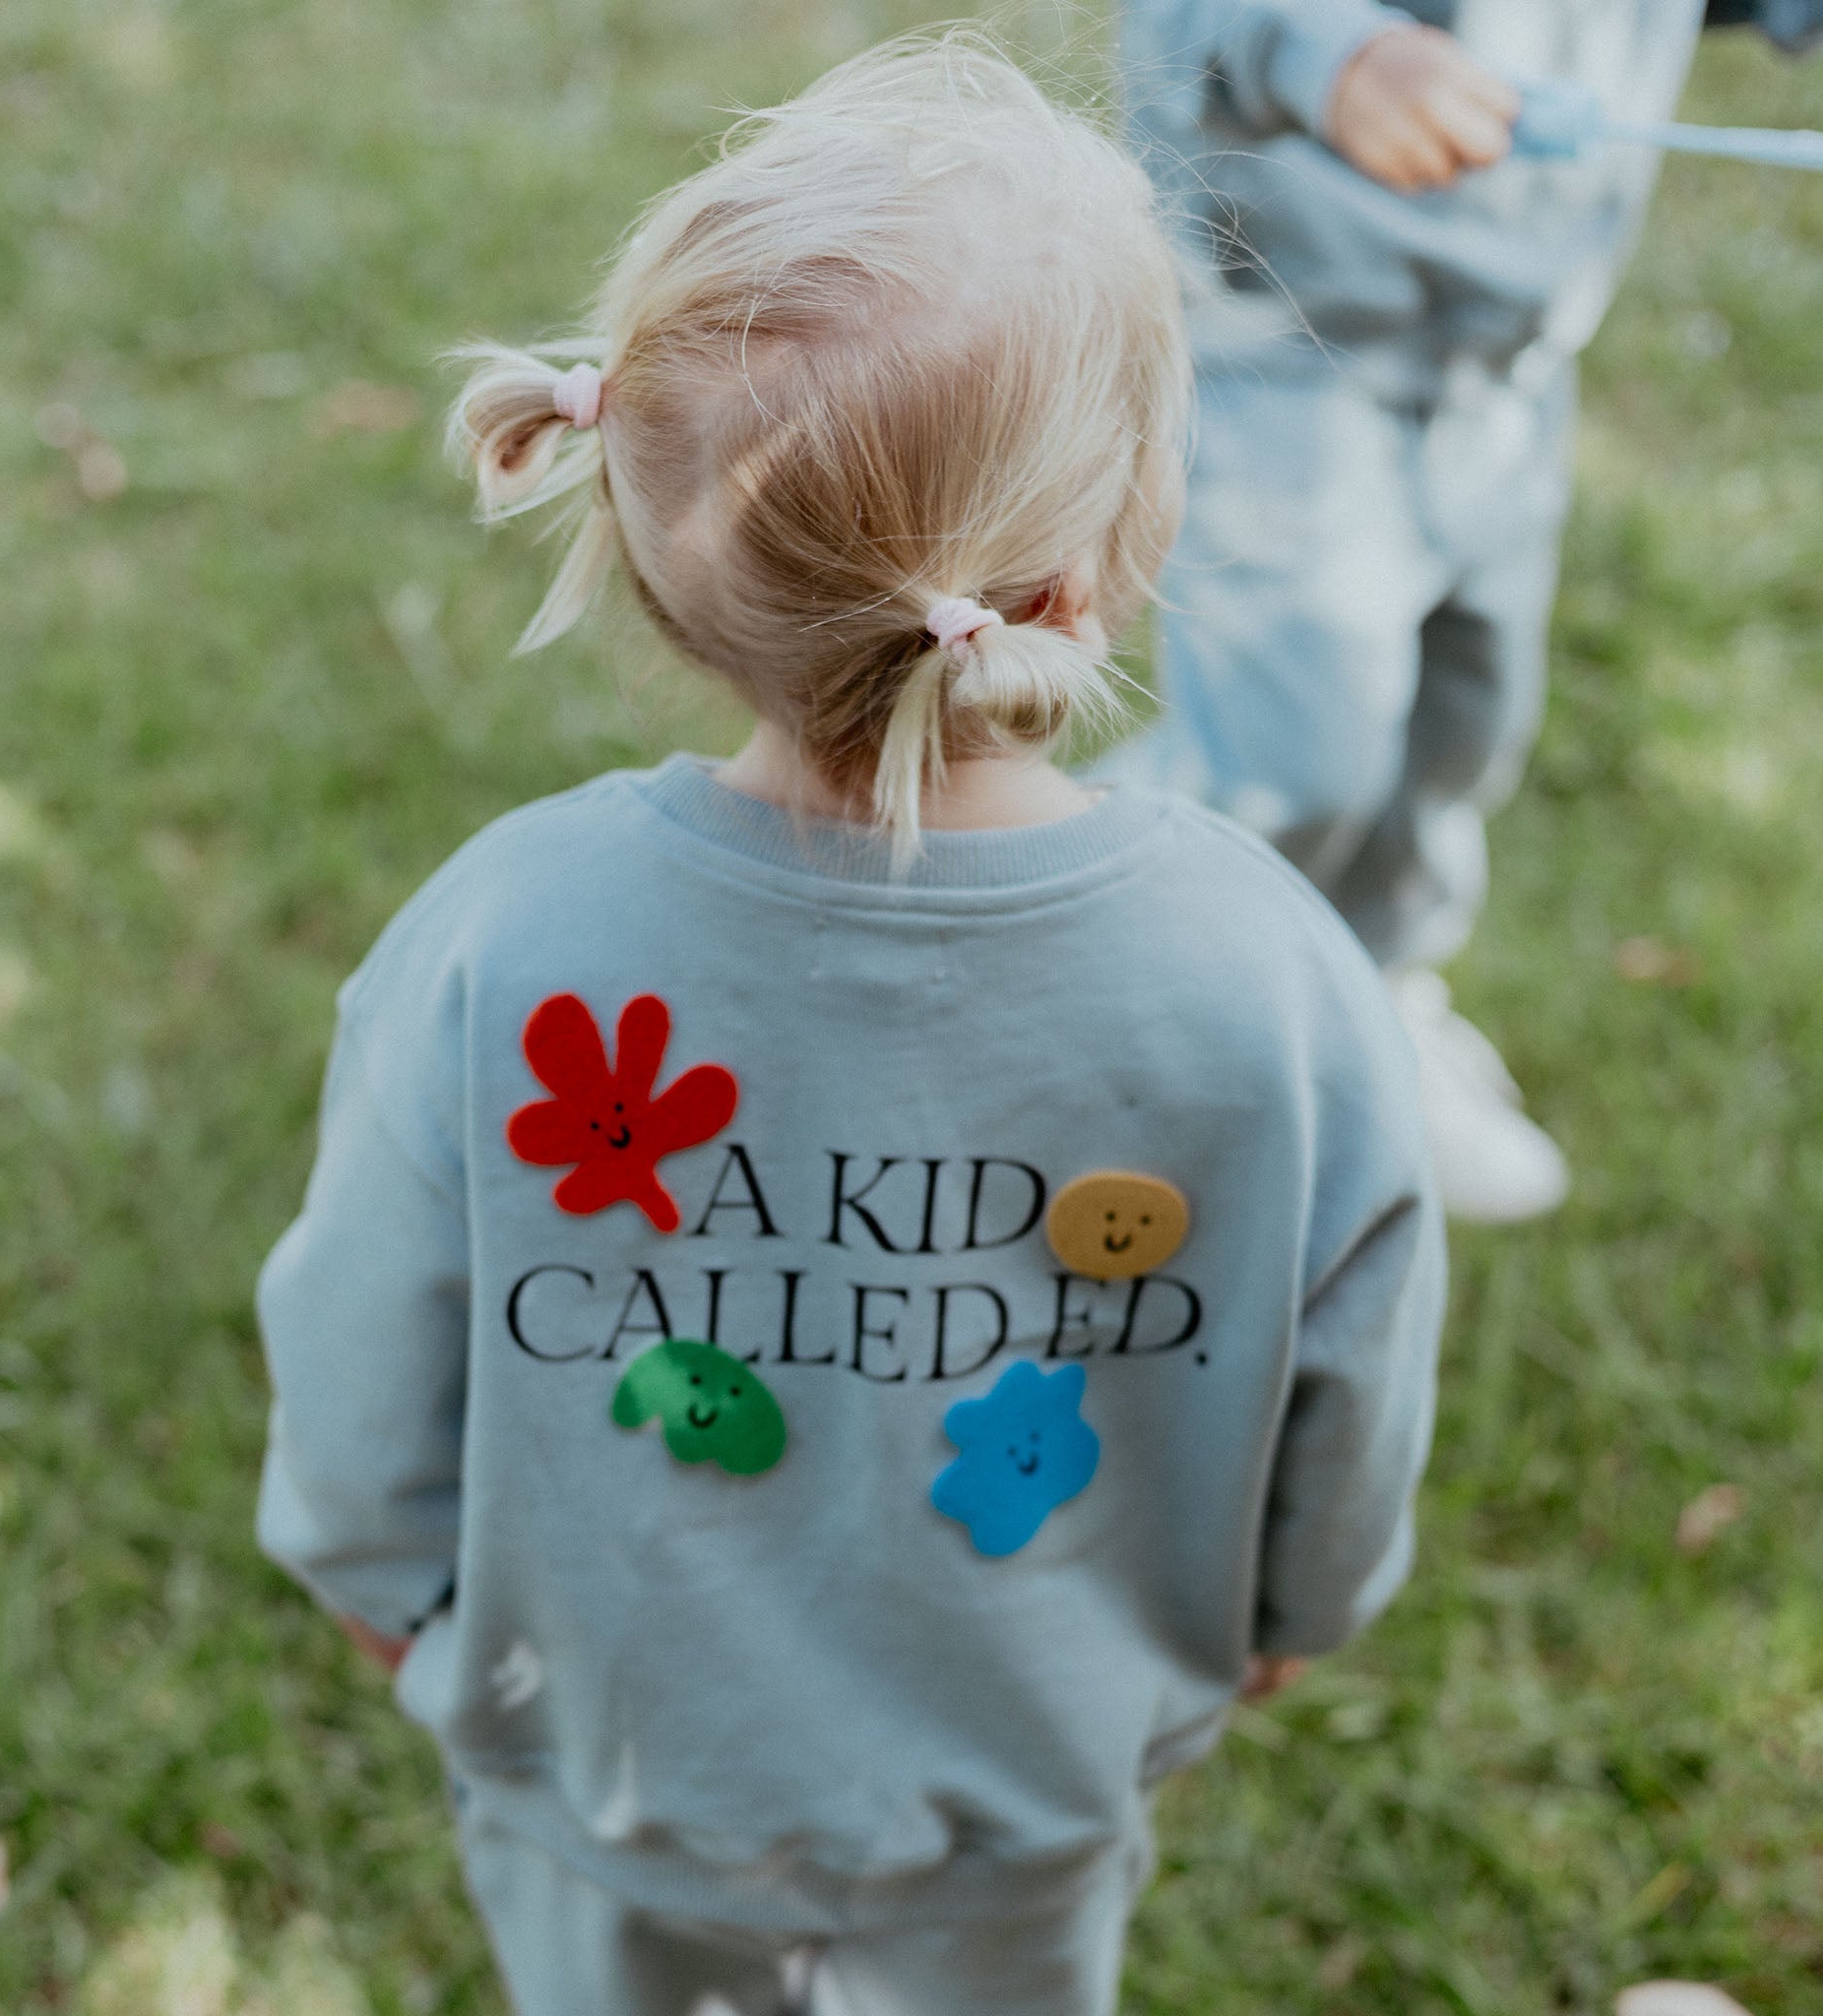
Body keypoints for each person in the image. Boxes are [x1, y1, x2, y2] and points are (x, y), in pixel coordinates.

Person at [254, 36, 1446, 2016]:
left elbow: (364, 1304)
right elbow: (1353, 1347)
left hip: (604, 1773)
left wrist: (373, 1571)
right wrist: (1298, 1600)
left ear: (648, 543)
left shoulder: (505, 933)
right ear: (1095, 558)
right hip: (1025, 1793)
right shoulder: (1269, 976)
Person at [1103, 0, 1822, 1223]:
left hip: (1505, 370)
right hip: (1291, 342)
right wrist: (1333, 54)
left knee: (1458, 730)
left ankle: (1371, 1000)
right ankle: (1105, 987)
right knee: (1291, 760)